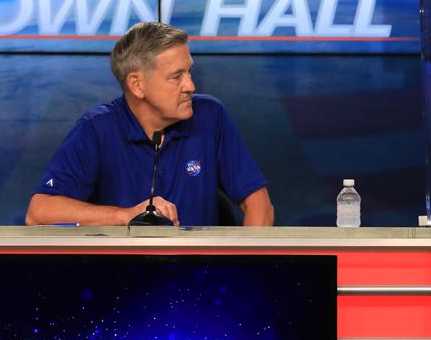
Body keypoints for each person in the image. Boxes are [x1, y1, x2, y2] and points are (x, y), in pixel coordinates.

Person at [25, 21, 274, 227]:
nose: (191, 86)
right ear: (137, 85)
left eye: (189, 72)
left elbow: (258, 203)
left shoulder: (210, 116)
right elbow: (39, 212)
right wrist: (126, 216)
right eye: (177, 76)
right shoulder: (96, 129)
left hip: (200, 277)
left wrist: (243, 265)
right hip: (122, 279)